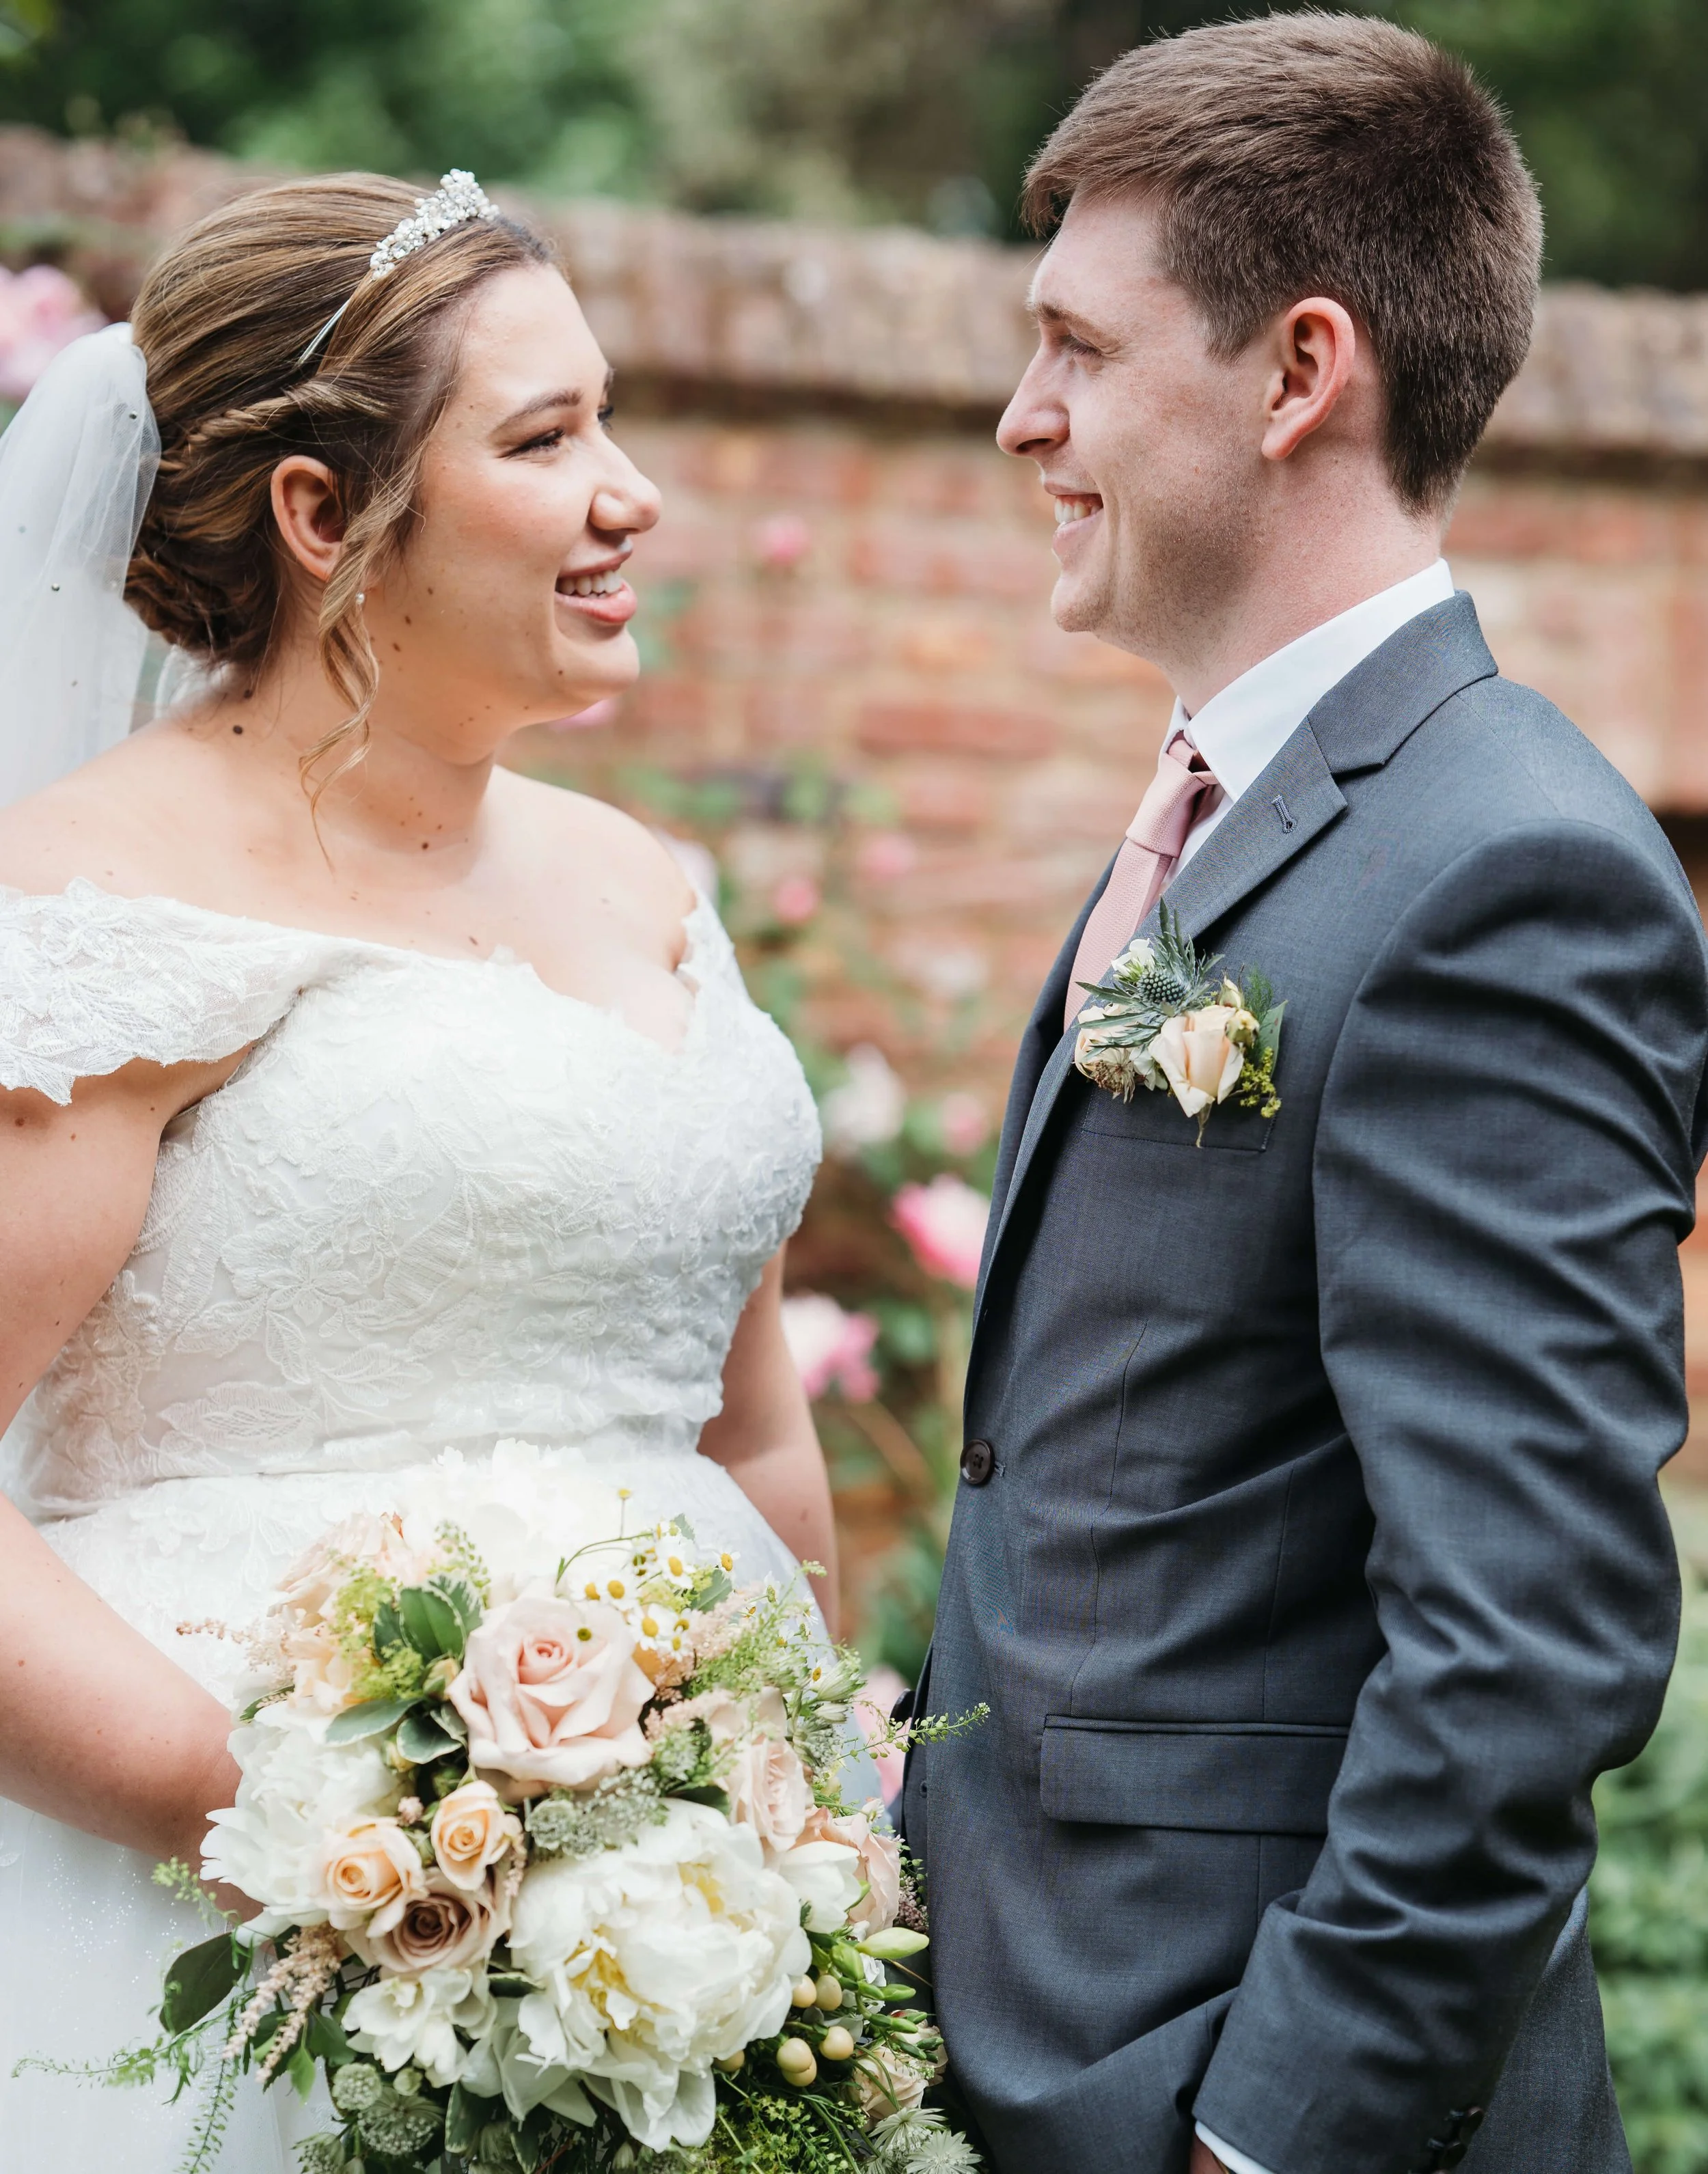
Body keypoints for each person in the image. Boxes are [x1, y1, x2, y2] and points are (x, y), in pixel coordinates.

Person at [903, 18, 1708, 2174]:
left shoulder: (1499, 868)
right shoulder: (1228, 809)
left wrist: (1259, 2136)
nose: (1020, 417)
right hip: (1043, 2040)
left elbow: (1524, 1638)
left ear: (1294, 373)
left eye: (1075, 345)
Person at [0, 171, 836, 2169]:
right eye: (545, 440)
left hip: (700, 1968)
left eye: (607, 418)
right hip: (236, 1957)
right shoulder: (110, 901)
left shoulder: (644, 882)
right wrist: (379, 1856)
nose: (627, 491)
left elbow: (751, 1437)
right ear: (320, 514)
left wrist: (802, 1834)